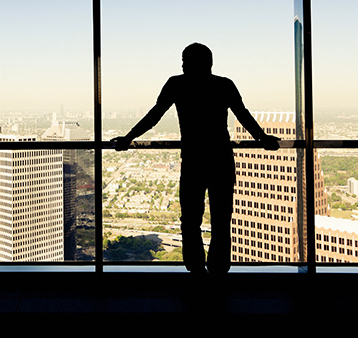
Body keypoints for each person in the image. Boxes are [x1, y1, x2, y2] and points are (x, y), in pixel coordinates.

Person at [112, 43, 280, 275]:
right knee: (221, 220)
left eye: (185, 59)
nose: (182, 63)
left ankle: (196, 272)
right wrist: (262, 139)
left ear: (195, 62)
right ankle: (218, 271)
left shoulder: (177, 84)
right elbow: (243, 115)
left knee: (190, 221)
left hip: (193, 160)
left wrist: (128, 138)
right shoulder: (224, 84)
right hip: (220, 158)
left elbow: (154, 116)